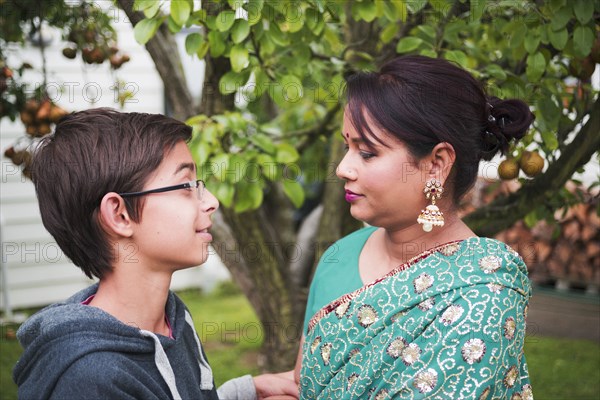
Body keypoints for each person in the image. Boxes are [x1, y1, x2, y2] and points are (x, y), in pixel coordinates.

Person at [12, 108, 298, 399]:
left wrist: (247, 391)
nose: (211, 201)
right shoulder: (92, 380)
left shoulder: (170, 318)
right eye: (187, 186)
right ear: (120, 215)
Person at [295, 56, 535, 399]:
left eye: (366, 153)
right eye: (348, 147)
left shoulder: (484, 293)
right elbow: (301, 383)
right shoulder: (339, 255)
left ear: (436, 164)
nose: (343, 169)